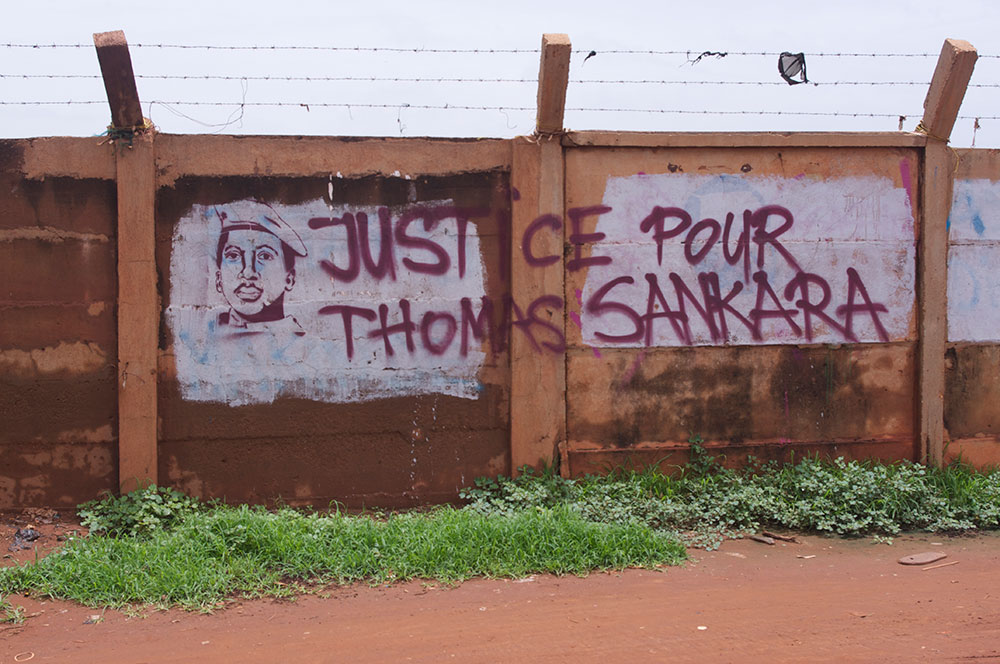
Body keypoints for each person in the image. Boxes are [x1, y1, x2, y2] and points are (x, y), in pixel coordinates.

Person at [213, 201, 308, 336]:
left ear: (289, 279)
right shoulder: (206, 339)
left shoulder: (304, 347)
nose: (248, 272)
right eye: (233, 255)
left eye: (264, 256)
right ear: (218, 279)